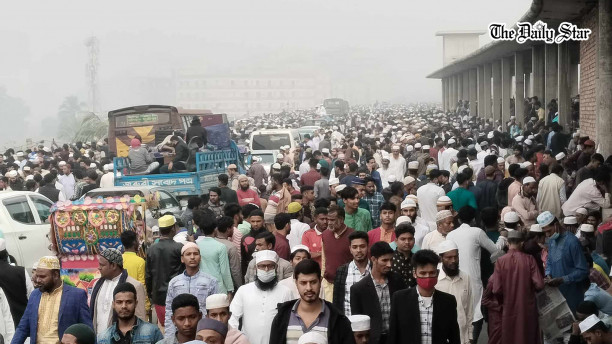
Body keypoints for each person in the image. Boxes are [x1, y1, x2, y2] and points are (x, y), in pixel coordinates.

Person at [270, 259, 355, 344]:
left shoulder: (338, 319)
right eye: (303, 283)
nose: (309, 288)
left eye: (313, 282)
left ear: (320, 281)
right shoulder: (282, 318)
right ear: (296, 283)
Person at [12, 256, 93, 344]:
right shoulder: (34, 295)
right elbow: (23, 327)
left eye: (42, 277)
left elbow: (87, 330)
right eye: (37, 276)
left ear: (55, 275)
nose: (38, 280)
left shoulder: (76, 295)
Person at [388, 249, 460, 344]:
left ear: (437, 273)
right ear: (415, 273)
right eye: (423, 273)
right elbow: (393, 334)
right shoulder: (400, 299)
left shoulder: (448, 301)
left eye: (431, 273)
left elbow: (454, 336)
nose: (427, 277)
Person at [491, 231, 544, 344]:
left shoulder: (500, 261)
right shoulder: (529, 259)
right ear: (522, 243)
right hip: (527, 309)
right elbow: (539, 284)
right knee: (528, 337)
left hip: (508, 309)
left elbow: (496, 289)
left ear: (508, 243)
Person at [229, 250, 293, 344]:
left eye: (270, 266)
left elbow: (290, 321)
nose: (266, 270)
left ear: (276, 268)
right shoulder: (243, 290)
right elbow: (233, 319)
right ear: (256, 268)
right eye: (262, 266)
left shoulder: (286, 291)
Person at [350, 242, 407, 344]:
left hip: (396, 338)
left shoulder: (398, 281)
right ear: (373, 259)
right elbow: (358, 322)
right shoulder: (358, 289)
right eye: (384, 260)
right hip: (372, 340)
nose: (389, 264)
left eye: (391, 260)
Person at [164, 242, 219, 338]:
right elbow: (169, 310)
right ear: (182, 259)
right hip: (181, 331)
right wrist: (169, 336)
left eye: (195, 254)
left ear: (200, 257)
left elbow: (214, 311)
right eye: (188, 254)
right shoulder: (174, 283)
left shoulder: (211, 281)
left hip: (203, 330)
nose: (192, 257)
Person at [538, 211, 589, 313]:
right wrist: (548, 275)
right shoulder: (552, 240)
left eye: (549, 231)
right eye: (545, 233)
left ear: (556, 225)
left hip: (573, 293)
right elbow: (550, 262)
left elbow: (583, 270)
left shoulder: (572, 242)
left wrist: (563, 279)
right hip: (558, 293)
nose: (547, 235)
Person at [90, 248, 146, 334]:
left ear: (113, 266)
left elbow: (140, 317)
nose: (99, 268)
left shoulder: (135, 286)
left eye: (102, 265)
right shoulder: (97, 284)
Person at [146, 215, 185, 328]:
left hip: (159, 297)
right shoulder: (179, 247)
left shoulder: (151, 249)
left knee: (165, 326)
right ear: (173, 228)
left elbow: (148, 275)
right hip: (177, 294)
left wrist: (151, 295)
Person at [97, 283, 163, 344]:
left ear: (136, 303)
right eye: (119, 302)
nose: (124, 306)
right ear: (113, 305)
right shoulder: (103, 338)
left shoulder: (152, 332)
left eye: (129, 302)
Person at [434, 240, 473, 344]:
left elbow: (469, 309)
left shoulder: (465, 278)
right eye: (449, 257)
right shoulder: (434, 279)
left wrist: (470, 335)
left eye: (456, 257)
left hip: (463, 337)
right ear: (441, 258)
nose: (453, 260)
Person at [333, 231, 371, 317]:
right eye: (355, 247)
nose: (358, 250)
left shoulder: (375, 270)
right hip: (348, 324)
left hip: (371, 324)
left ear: (368, 247)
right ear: (350, 249)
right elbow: (337, 301)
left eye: (362, 246)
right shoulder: (342, 271)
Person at [194, 213, 234, 295]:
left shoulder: (197, 245)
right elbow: (224, 271)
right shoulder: (221, 247)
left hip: (201, 285)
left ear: (202, 230)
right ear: (215, 229)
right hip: (218, 286)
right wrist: (230, 289)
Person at [322, 206, 355, 302]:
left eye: (332, 220)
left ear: (341, 219)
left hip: (347, 284)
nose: (329, 223)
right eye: (328, 220)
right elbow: (324, 258)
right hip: (328, 284)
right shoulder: (325, 234)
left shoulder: (353, 235)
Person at [0, 239, 33, 326]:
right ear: (6, 254)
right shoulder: (20, 271)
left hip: (4, 328)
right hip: (23, 324)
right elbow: (32, 297)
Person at [214, 216, 243, 290]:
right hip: (227, 286)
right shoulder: (231, 247)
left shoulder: (211, 243)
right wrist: (240, 286)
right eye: (233, 227)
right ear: (228, 229)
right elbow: (235, 270)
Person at [240, 209, 267, 276]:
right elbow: (243, 260)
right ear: (249, 221)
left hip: (267, 271)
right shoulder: (245, 239)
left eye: (258, 221)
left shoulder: (270, 237)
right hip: (251, 273)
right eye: (253, 221)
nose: (255, 224)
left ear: (263, 221)